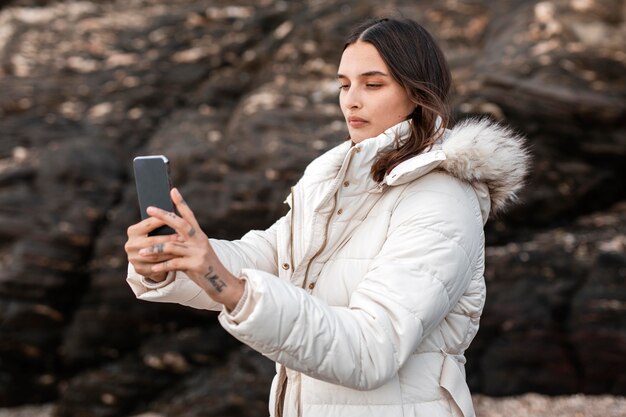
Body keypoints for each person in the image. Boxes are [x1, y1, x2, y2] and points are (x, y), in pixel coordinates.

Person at [125, 17, 530, 417]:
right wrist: (175, 259)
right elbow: (267, 256)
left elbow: (372, 349)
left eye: (373, 84)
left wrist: (232, 290)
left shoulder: (441, 198)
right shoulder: (332, 182)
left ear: (418, 92)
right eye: (343, 84)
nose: (351, 99)